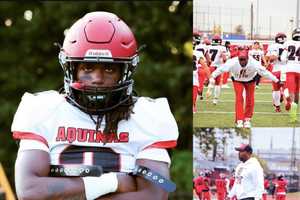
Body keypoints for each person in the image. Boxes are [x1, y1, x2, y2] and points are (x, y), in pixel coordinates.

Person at [11, 11, 179, 200]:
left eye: (109, 68)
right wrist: (113, 182)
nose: (97, 79)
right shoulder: (43, 110)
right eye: (87, 68)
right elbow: (30, 192)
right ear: (72, 69)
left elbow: (158, 192)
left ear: (125, 71)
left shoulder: (146, 116)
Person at [209, 48, 279, 128]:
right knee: (239, 98)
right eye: (240, 60)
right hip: (237, 80)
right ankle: (239, 120)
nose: (242, 62)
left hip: (250, 80)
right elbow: (220, 69)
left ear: (248, 58)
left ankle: (247, 119)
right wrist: (212, 77)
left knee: (250, 98)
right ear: (238, 58)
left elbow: (265, 73)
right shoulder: (232, 62)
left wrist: (276, 80)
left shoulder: (254, 63)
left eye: (244, 60)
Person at [281, 28, 300, 122]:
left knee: (291, 91)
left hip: (290, 68)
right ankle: (294, 114)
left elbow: (283, 58)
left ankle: (293, 116)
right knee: (297, 92)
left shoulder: (287, 43)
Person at [266, 32, 287, 112]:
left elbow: (271, 57)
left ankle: (277, 107)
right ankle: (286, 99)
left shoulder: (273, 46)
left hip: (276, 69)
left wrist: (268, 62)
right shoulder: (287, 45)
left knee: (276, 89)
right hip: (286, 70)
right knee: (286, 88)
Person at [206, 35, 228, 105]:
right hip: (218, 67)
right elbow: (224, 58)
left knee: (211, 80)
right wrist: (225, 61)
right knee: (217, 84)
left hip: (210, 66)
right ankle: (215, 99)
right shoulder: (222, 48)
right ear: (219, 41)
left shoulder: (208, 47)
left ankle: (209, 88)